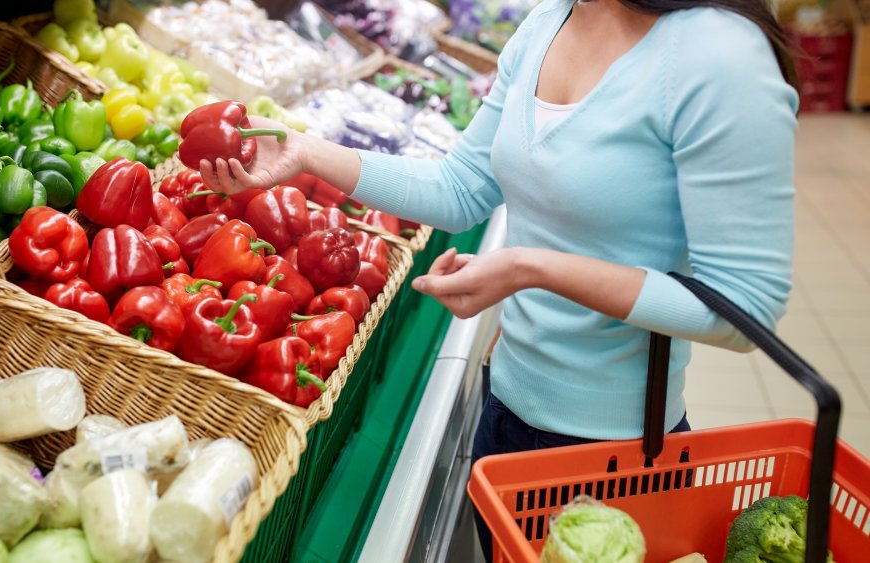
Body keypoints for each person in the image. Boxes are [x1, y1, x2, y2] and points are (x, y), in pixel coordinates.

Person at [196, 0, 799, 559]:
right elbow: (461, 189)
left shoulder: (718, 56)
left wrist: (528, 267)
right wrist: (303, 153)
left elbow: (742, 309)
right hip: (504, 415)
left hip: (617, 458)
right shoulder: (550, 21)